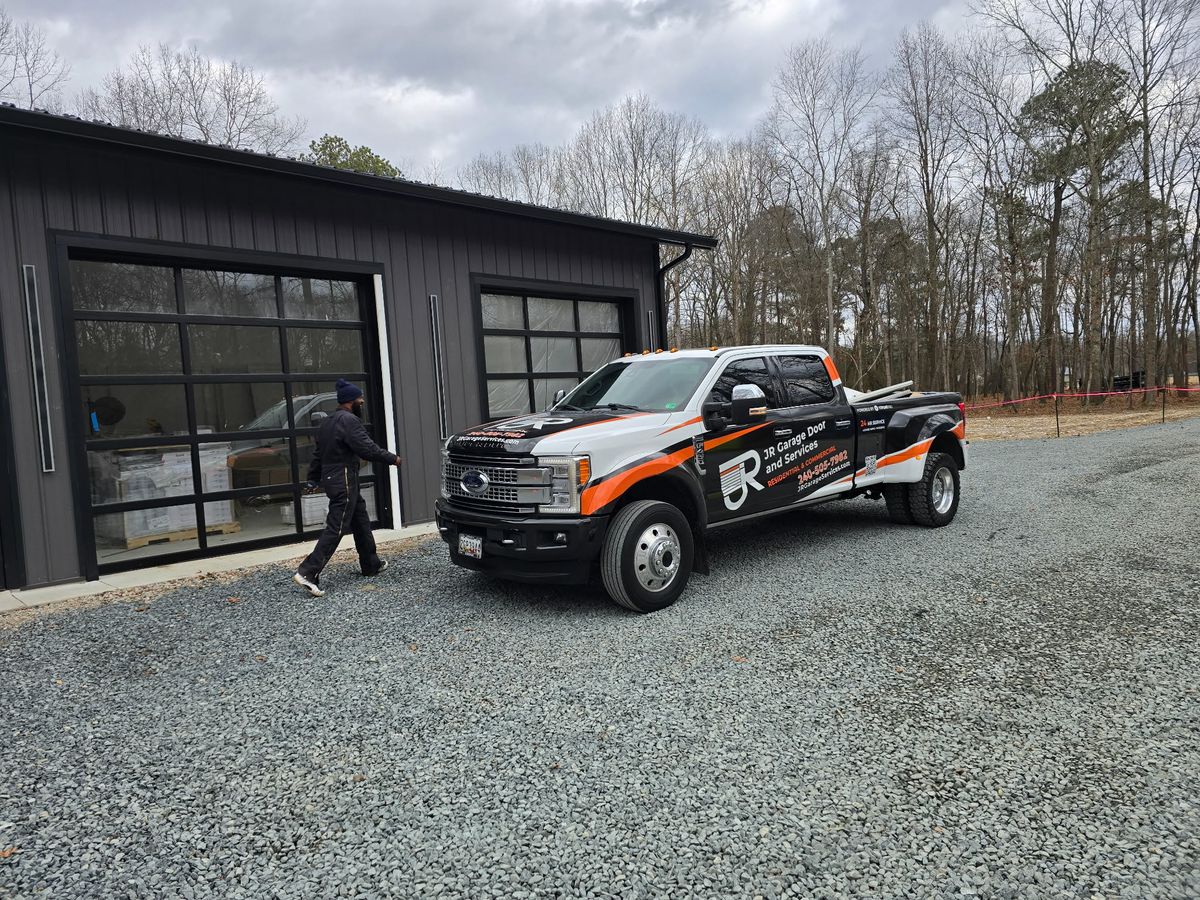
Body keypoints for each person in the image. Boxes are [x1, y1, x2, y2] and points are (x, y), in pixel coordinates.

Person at [293, 378, 400, 597]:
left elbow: (318, 456)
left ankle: (371, 564)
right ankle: (308, 572)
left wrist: (313, 479)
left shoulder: (328, 422)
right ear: (351, 401)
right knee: (337, 527)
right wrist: (393, 459)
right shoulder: (349, 421)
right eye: (360, 399)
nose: (362, 402)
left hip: (337, 479)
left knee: (360, 520)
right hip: (343, 480)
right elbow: (366, 448)